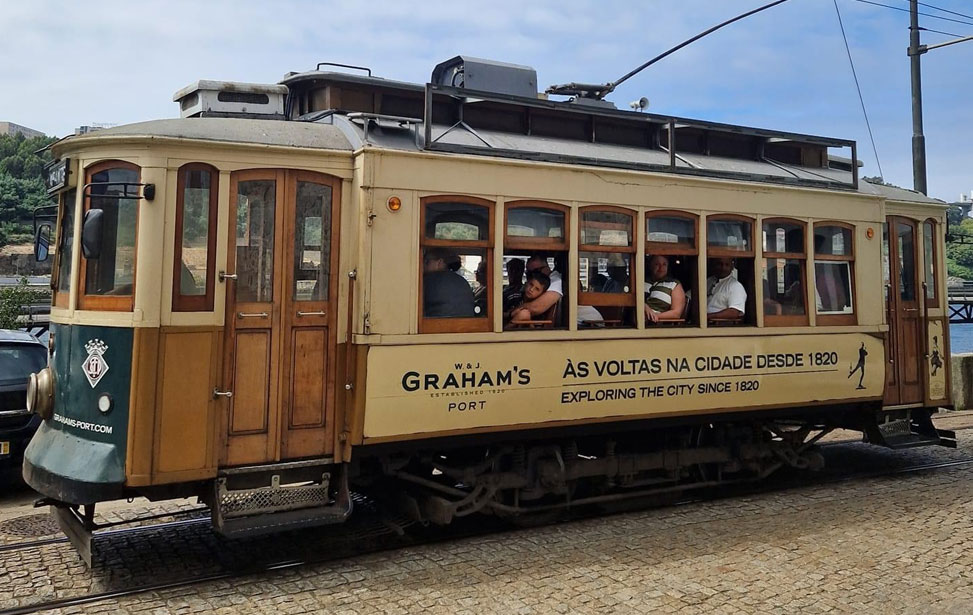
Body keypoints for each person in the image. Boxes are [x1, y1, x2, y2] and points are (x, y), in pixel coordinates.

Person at [524, 255, 603, 325]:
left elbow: (535, 308)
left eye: (535, 272)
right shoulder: (541, 282)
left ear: (546, 268)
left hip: (589, 323)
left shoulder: (555, 280)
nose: (532, 276)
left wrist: (513, 312)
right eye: (528, 273)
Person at [423, 248, 476, 318]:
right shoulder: (462, 281)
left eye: (427, 262)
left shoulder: (429, 280)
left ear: (439, 262)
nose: (423, 266)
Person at [644, 254, 686, 323]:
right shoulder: (641, 281)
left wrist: (654, 316)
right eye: (657, 264)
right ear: (650, 266)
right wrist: (644, 306)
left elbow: (676, 313)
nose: (661, 268)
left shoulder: (674, 284)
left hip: (657, 325)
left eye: (664, 264)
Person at [706, 257, 746, 321]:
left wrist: (708, 316)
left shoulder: (736, 286)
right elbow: (689, 296)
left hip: (720, 325)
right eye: (720, 264)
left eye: (727, 265)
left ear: (732, 267)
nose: (723, 268)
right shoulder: (709, 281)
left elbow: (733, 312)